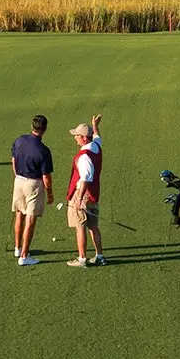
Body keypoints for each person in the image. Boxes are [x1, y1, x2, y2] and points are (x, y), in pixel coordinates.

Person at [11, 115, 54, 267]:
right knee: (30, 219)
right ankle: (24, 256)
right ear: (45, 129)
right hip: (33, 184)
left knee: (19, 215)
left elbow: (13, 161)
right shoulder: (43, 151)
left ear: (32, 126)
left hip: (19, 181)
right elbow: (46, 177)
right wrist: (50, 194)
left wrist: (17, 176)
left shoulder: (19, 140)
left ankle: (17, 248)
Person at [66, 114, 104, 268]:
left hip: (83, 193)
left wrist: (79, 199)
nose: (75, 138)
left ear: (83, 138)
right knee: (93, 226)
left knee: (80, 226)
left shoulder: (84, 156)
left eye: (77, 135)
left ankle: (82, 258)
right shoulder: (95, 146)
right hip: (94, 194)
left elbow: (85, 179)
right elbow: (97, 137)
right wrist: (95, 125)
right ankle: (99, 255)